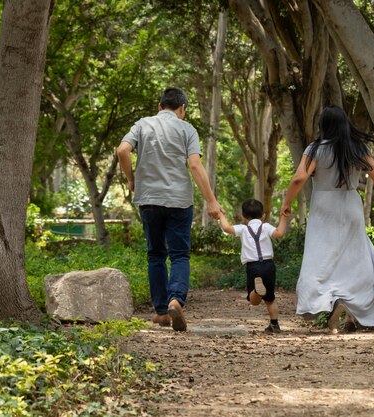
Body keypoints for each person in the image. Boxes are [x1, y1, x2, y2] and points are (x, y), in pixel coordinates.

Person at [280, 106, 374, 334]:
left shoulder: (315, 149)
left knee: (321, 258)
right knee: (354, 261)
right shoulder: (356, 147)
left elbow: (299, 178)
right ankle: (349, 312)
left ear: (323, 126)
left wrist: (286, 203)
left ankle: (331, 302)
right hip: (350, 206)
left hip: (323, 209)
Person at [117, 87, 223, 332]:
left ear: (159, 105)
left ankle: (162, 312)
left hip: (149, 199)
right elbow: (195, 166)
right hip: (179, 201)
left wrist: (131, 179)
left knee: (155, 255)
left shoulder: (142, 125)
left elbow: (122, 150)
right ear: (182, 108)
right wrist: (211, 200)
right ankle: (176, 300)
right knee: (179, 255)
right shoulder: (187, 129)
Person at [218, 199, 288, 333]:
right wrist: (283, 217)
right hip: (269, 265)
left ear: (244, 216)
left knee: (254, 300)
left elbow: (227, 228)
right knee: (270, 298)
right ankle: (275, 324)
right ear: (263, 215)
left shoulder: (243, 229)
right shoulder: (266, 227)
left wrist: (221, 215)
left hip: (253, 267)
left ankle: (256, 291)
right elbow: (279, 234)